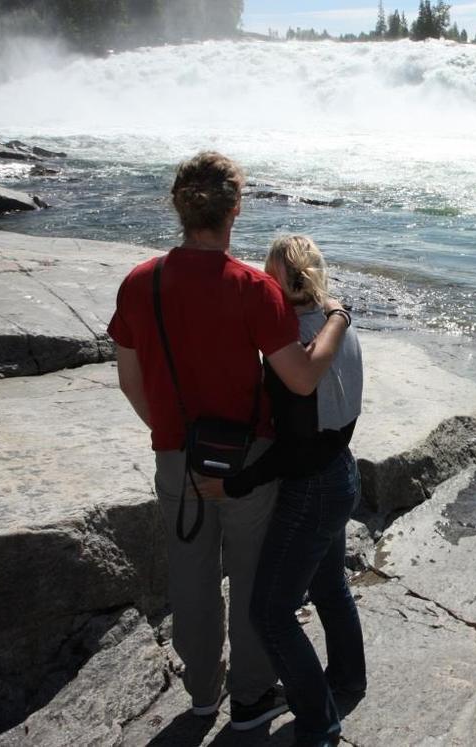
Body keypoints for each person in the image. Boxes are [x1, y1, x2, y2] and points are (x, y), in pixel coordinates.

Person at [107, 153, 350, 731]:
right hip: (249, 460)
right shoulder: (252, 287)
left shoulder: (142, 281)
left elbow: (128, 377)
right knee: (251, 584)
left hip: (177, 458)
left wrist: (168, 436)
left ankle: (200, 694)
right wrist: (338, 317)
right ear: (235, 209)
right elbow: (300, 377)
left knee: (189, 581)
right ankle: (250, 699)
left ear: (178, 205)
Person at [227, 235, 366, 747]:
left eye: (266, 275)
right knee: (330, 588)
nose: (260, 282)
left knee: (269, 612)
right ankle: (349, 681)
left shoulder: (295, 346)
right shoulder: (335, 326)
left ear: (284, 282)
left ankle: (318, 723)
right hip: (342, 471)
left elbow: (295, 448)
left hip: (312, 486)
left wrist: (238, 481)